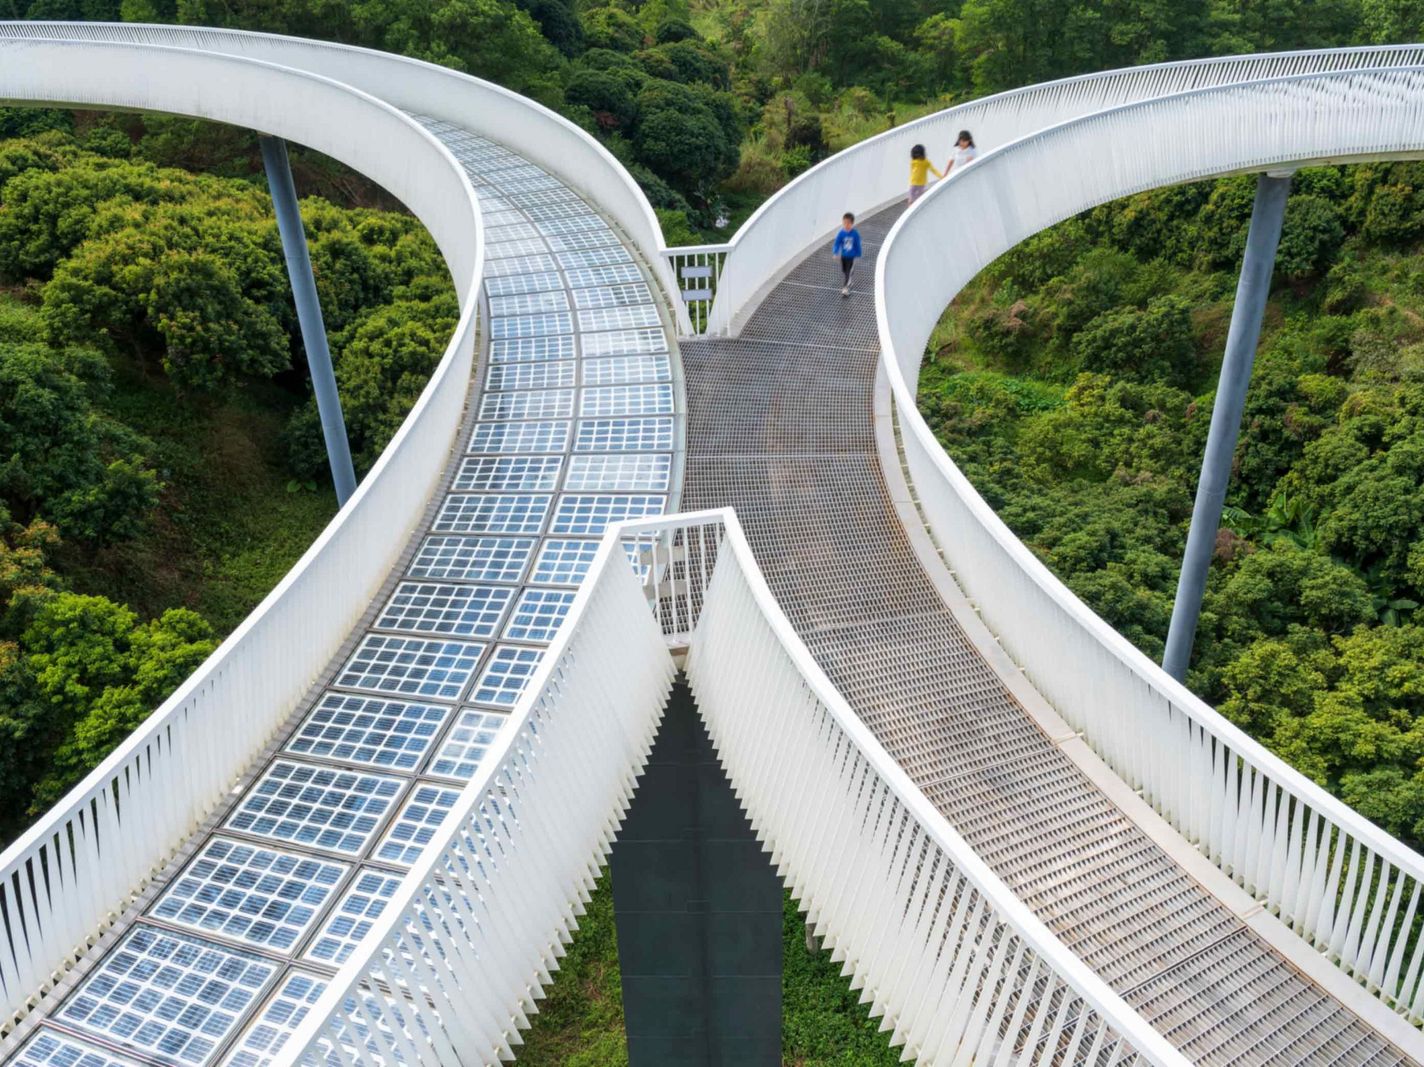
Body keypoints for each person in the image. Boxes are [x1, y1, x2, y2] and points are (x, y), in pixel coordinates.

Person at [831, 212, 862, 297]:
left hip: (851, 256)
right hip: (843, 256)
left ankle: (845, 288)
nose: (846, 225)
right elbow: (837, 243)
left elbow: (857, 244)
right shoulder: (841, 233)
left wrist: (858, 253)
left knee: (847, 272)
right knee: (844, 270)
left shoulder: (855, 234)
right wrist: (835, 252)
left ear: (852, 224)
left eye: (848, 223)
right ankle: (849, 278)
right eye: (844, 223)